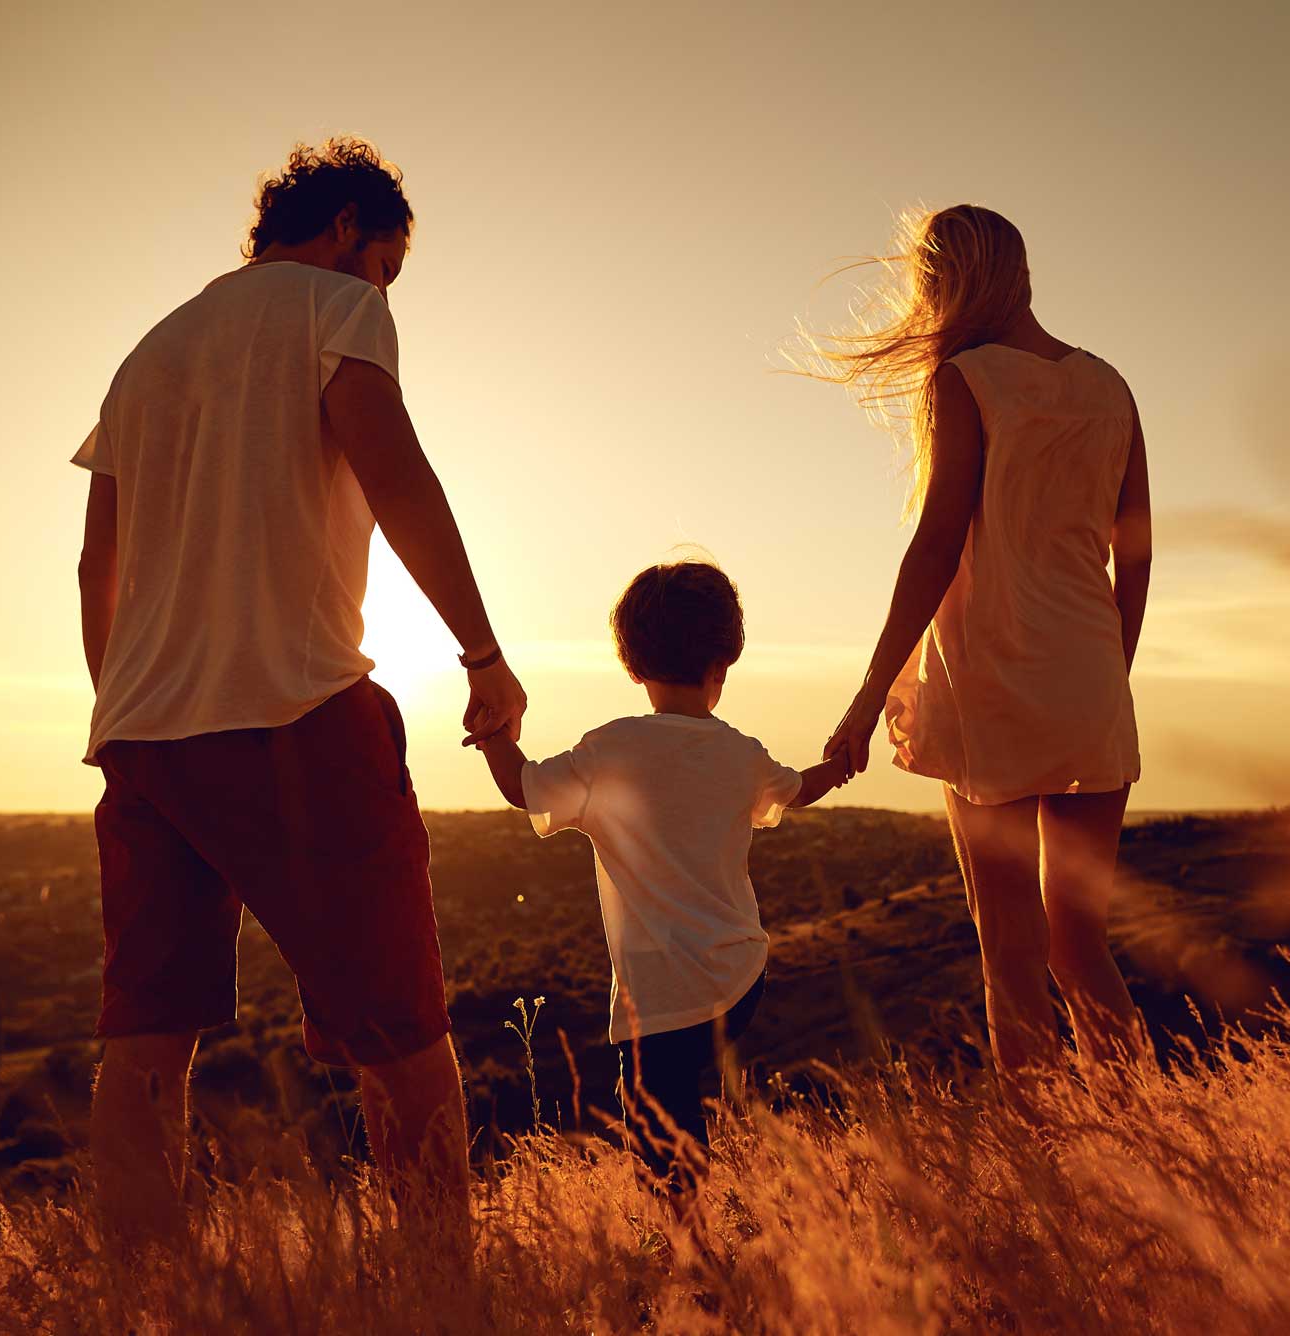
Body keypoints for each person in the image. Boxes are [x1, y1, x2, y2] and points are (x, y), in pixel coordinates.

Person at [73, 138, 526, 1241]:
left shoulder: (148, 353)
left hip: (142, 734)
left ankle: (140, 1297)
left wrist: (129, 697)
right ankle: (434, 1291)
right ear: (343, 232)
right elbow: (396, 472)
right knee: (401, 1030)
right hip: (295, 713)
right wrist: (481, 654)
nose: (385, 290)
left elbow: (98, 564)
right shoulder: (335, 305)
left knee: (144, 1043)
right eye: (387, 265)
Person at [808, 205, 1154, 1080]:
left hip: (995, 674)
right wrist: (1113, 669)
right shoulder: (1110, 382)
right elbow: (1137, 548)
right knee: (1082, 946)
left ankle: (1038, 1160)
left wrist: (867, 694)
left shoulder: (966, 377)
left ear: (944, 283)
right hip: (1091, 672)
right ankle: (1152, 1138)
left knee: (1009, 949)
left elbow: (934, 546)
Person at [471, 559, 851, 1191]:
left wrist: (493, 736)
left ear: (633, 665)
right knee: (680, 1098)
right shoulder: (739, 751)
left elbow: (523, 788)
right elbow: (800, 790)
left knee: (657, 1126)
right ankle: (717, 1221)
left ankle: (693, 1252)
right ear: (722, 664)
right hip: (740, 975)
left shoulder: (609, 751)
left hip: (661, 993)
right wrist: (840, 762)